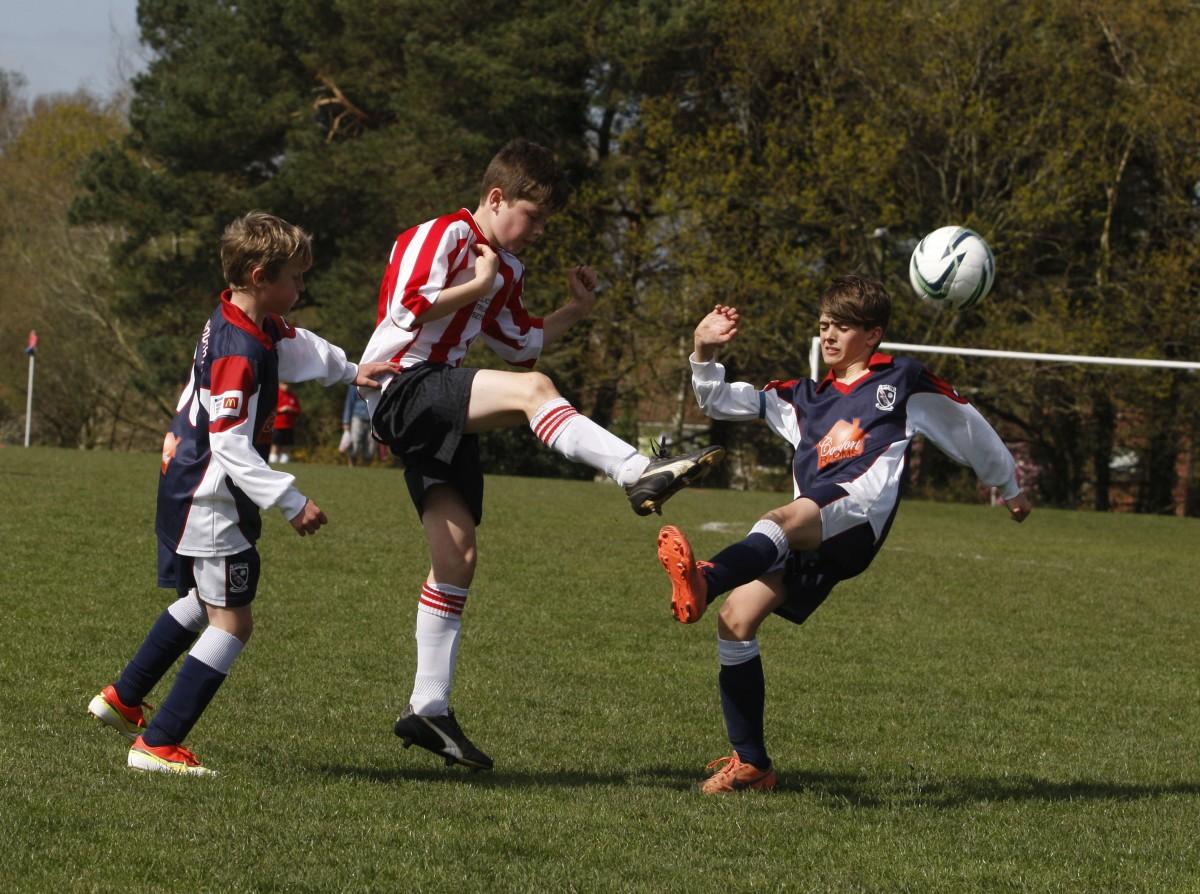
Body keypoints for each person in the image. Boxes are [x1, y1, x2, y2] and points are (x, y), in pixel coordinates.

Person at [358, 138, 723, 770]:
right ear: (495, 198)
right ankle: (637, 469)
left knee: (459, 554)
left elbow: (522, 344)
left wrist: (575, 310)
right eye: (533, 216)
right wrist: (477, 281)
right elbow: (405, 308)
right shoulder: (444, 233)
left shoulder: (503, 267)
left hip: (438, 400)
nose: (539, 231)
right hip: (401, 385)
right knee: (536, 394)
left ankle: (429, 709)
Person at [655, 275, 1033, 794]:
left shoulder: (903, 381)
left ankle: (707, 575)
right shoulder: (801, 397)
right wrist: (702, 350)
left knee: (783, 517)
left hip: (857, 516)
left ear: (873, 334)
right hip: (810, 535)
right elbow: (717, 400)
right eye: (824, 325)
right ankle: (752, 765)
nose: (829, 335)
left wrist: (1008, 484)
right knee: (735, 622)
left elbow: (966, 423)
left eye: (843, 327)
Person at [86, 211, 398, 776]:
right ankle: (158, 744)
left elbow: (296, 345)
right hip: (209, 495)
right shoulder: (239, 351)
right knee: (233, 622)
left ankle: (122, 698)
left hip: (189, 484)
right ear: (260, 276)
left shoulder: (245, 320)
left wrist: (351, 370)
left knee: (203, 604)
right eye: (295, 278)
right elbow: (229, 444)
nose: (302, 288)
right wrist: (291, 499)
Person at [340, 383, 374, 466]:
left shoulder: (380, 380)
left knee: (371, 448)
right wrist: (346, 421)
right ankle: (351, 467)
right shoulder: (356, 381)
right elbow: (349, 402)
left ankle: (366, 470)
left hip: (373, 418)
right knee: (355, 445)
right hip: (357, 416)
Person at [269, 381, 300, 463]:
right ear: (280, 384)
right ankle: (273, 461)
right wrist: (280, 409)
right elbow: (270, 408)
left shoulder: (292, 396)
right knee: (275, 444)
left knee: (287, 445)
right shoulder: (276, 394)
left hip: (289, 425)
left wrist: (292, 409)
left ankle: (284, 462)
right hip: (277, 425)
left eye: (288, 384)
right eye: (284, 384)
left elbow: (298, 410)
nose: (286, 386)